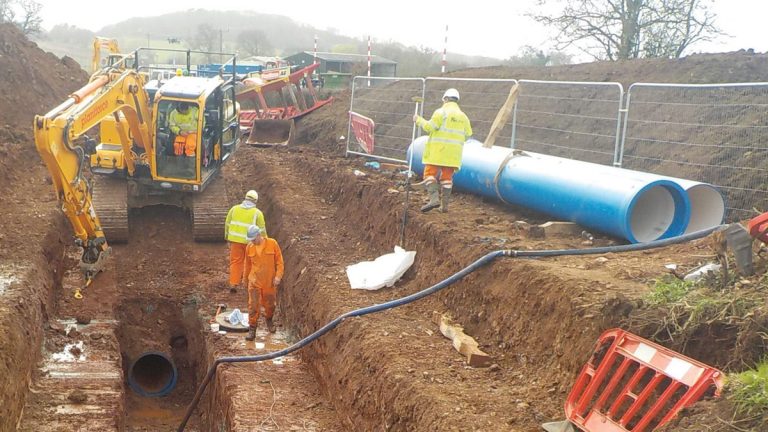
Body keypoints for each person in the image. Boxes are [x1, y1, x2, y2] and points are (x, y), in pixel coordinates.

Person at [412, 88, 473, 213]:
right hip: (453, 155)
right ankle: (444, 206)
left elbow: (429, 127)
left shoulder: (441, 112)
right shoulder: (463, 117)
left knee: (429, 174)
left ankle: (434, 199)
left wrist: (418, 120)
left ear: (445, 99)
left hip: (437, 152)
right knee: (447, 178)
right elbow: (468, 134)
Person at [243, 225, 284, 339]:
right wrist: (245, 279)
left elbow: (279, 262)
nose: (252, 241)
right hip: (254, 281)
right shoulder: (249, 247)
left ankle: (269, 320)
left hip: (269, 282)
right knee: (253, 306)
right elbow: (247, 265)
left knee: (270, 305)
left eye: (253, 239)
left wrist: (278, 277)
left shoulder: (272, 243)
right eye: (250, 240)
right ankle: (252, 329)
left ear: (258, 235)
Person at [224, 190, 268, 292]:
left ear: (245, 198)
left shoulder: (234, 209)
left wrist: (226, 236)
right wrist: (265, 242)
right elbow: (262, 230)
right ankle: (247, 284)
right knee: (250, 263)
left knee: (236, 262)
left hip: (235, 241)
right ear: (255, 201)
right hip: (251, 243)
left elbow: (227, 224)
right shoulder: (257, 213)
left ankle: (233, 283)